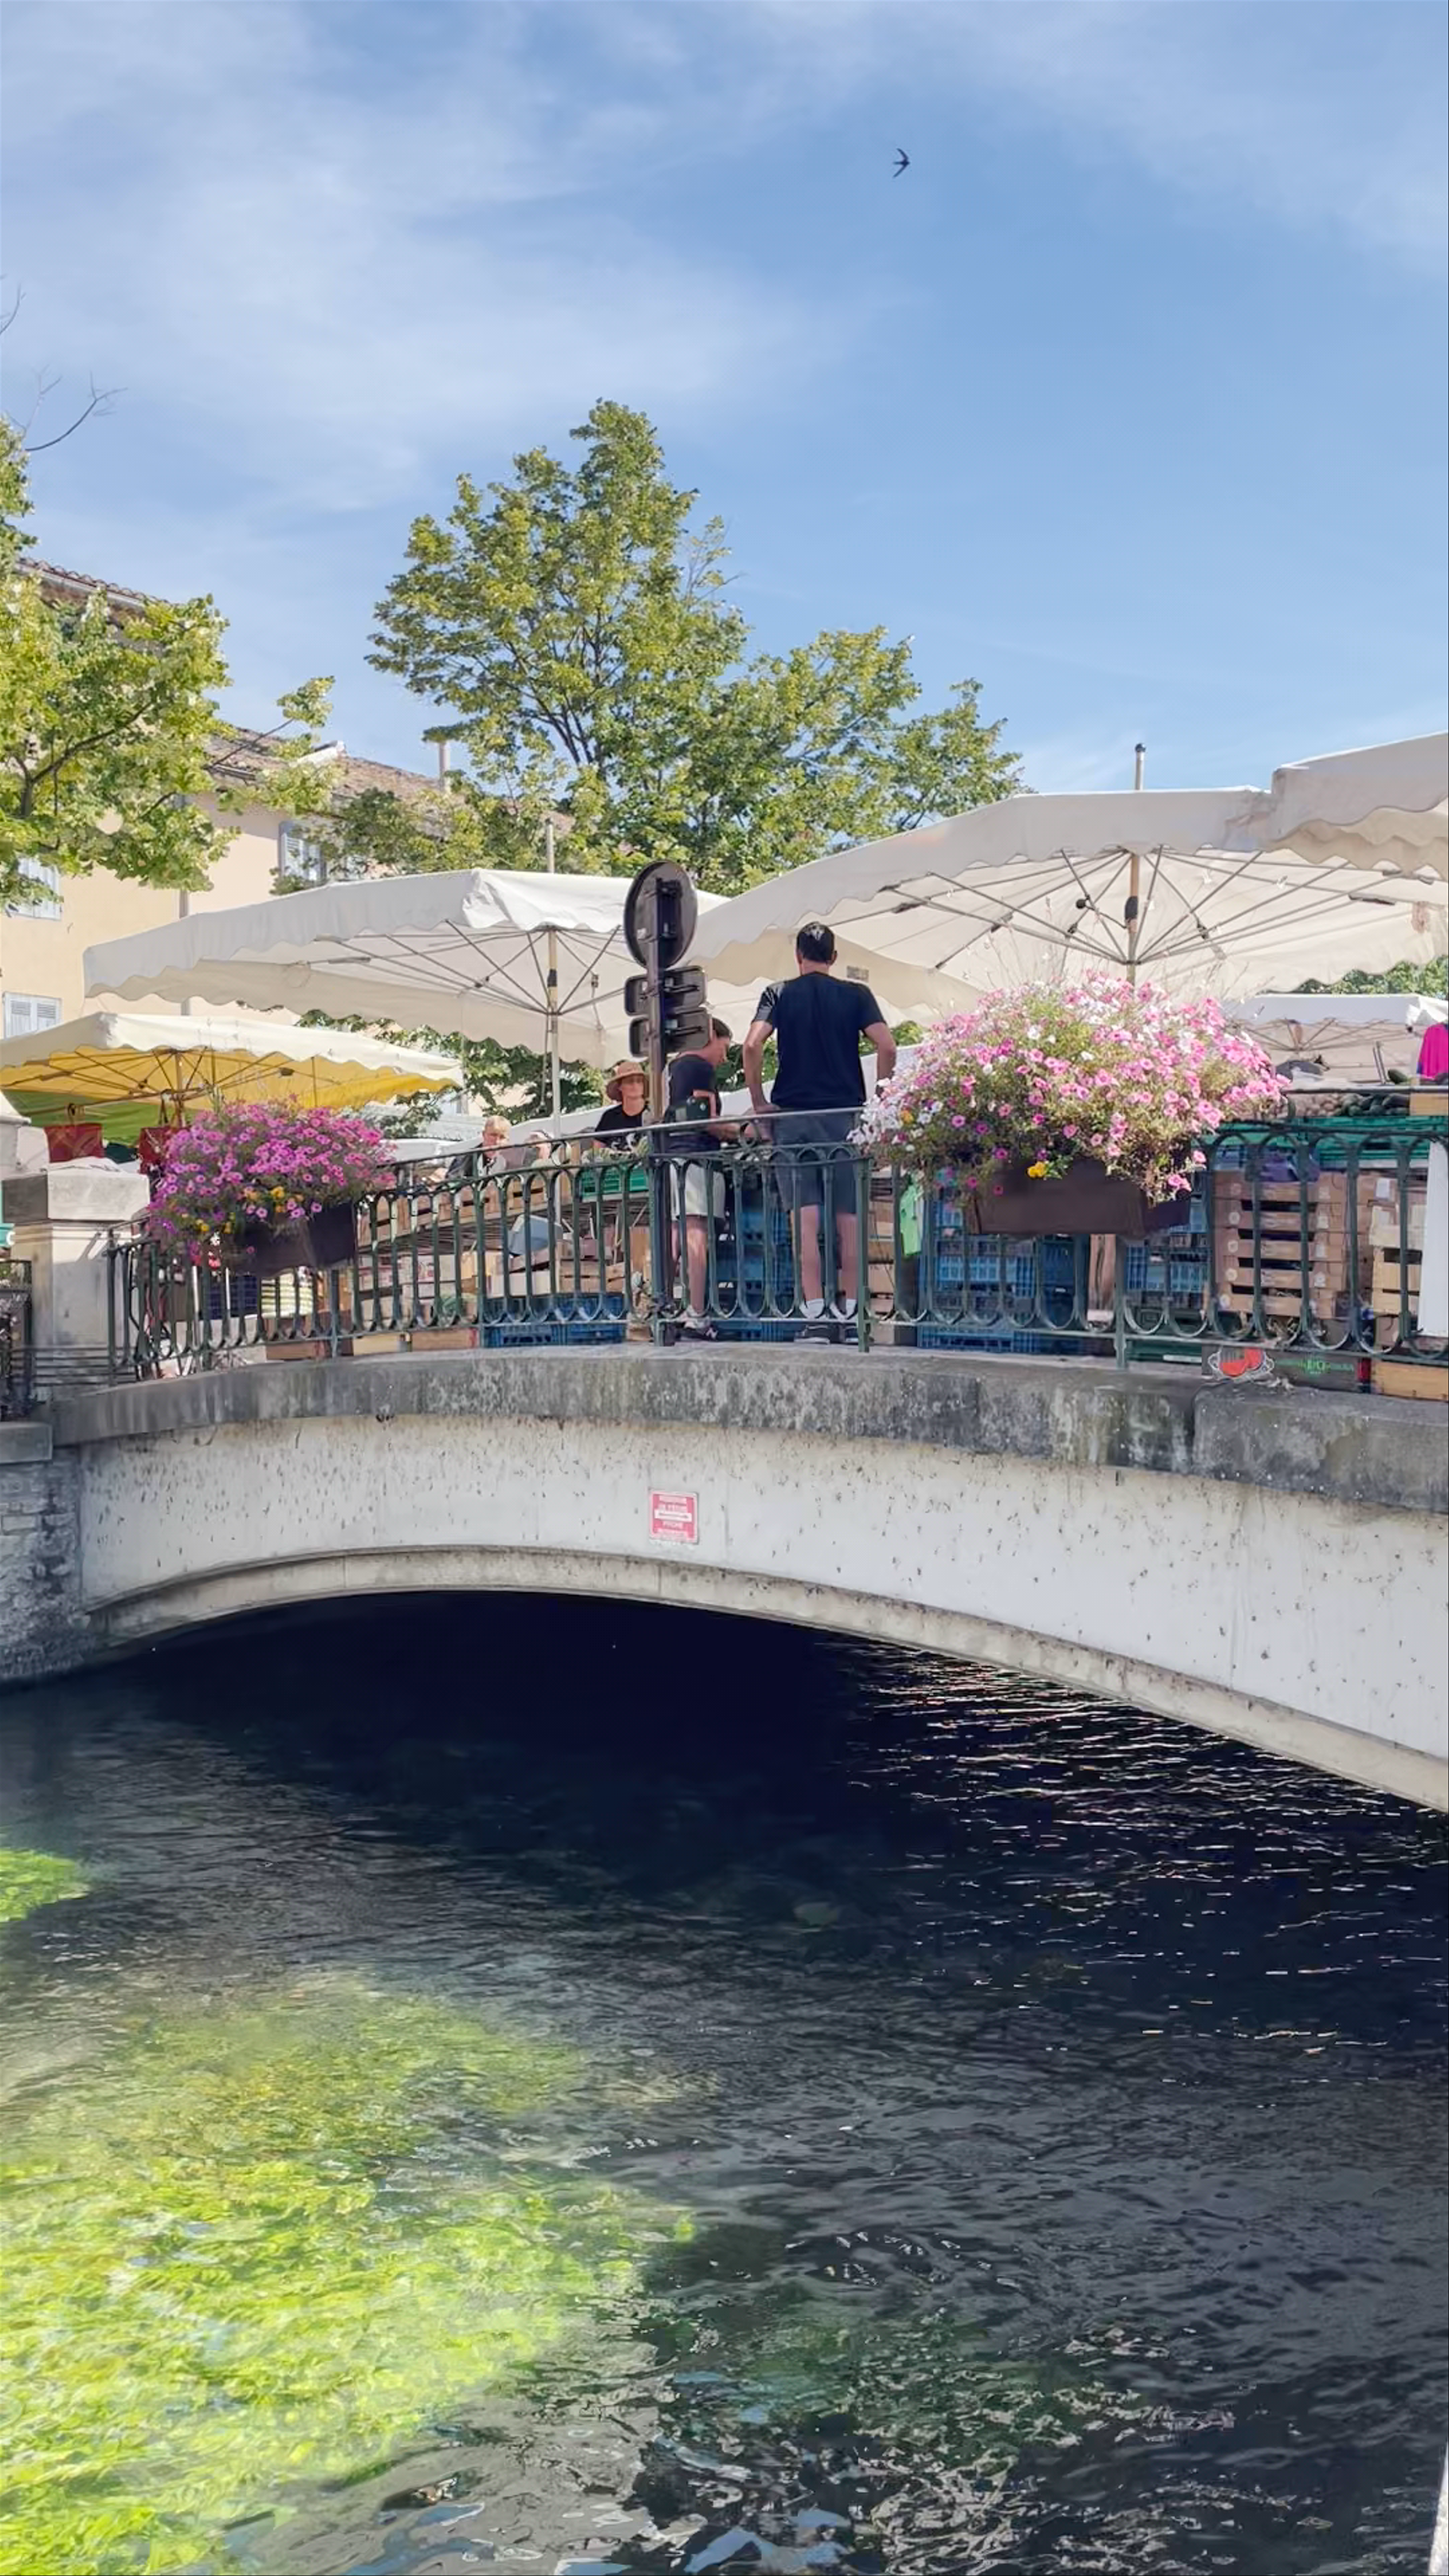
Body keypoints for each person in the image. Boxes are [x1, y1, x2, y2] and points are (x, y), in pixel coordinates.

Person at [743, 923, 895, 1344]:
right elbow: (887, 1046)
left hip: (793, 1118)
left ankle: (814, 1318)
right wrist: (881, 1103)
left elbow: (752, 1045)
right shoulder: (857, 995)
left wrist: (759, 1100)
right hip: (845, 1117)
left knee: (805, 1221)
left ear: (798, 955)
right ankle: (850, 1318)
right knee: (848, 1219)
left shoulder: (779, 993)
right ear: (833, 957)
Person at [664, 1017, 734, 1339]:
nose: (725, 1056)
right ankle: (697, 1315)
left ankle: (666, 1308)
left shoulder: (674, 1069)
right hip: (698, 1158)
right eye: (725, 1046)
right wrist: (743, 1131)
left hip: (674, 1158)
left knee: (677, 1236)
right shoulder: (700, 1068)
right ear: (711, 1036)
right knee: (696, 1237)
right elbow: (707, 1121)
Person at [594, 1061, 649, 1146]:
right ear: (620, 1087)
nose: (635, 1085)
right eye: (630, 1082)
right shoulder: (609, 1117)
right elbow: (597, 1151)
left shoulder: (654, 1114)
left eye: (639, 1081)